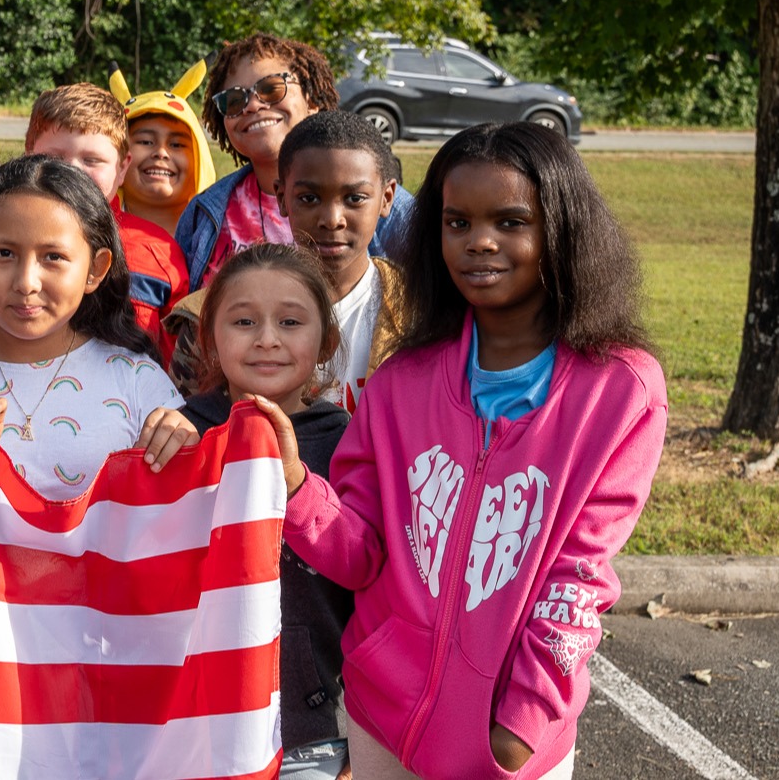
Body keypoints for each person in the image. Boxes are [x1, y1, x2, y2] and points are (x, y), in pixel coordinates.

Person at [282, 122, 665, 779]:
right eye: (457, 222)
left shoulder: (619, 388)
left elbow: (580, 570)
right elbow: (361, 552)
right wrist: (295, 484)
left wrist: (521, 722)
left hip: (512, 741)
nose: (479, 241)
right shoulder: (403, 382)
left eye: (511, 221)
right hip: (384, 722)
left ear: (560, 228)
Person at [153, 243, 357, 780]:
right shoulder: (178, 434)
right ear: (211, 340)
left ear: (326, 341)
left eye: (290, 321)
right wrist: (160, 460)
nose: (267, 339)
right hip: (191, 727)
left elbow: (368, 571)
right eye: (243, 321)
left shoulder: (353, 443)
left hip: (310, 733)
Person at [0, 155, 188, 500]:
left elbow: (178, 512)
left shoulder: (141, 384)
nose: (26, 282)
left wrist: (183, 447)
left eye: (53, 257)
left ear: (95, 269)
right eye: (4, 253)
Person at [166, 109, 408, 402]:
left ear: (387, 198)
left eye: (354, 199)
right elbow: (184, 423)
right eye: (309, 198)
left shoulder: (418, 314)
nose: (332, 219)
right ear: (282, 197)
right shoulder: (212, 316)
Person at [175, 33, 415, 290]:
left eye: (271, 88)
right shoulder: (203, 214)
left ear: (311, 99)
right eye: (233, 100)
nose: (253, 105)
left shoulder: (385, 207)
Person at [25, 82, 189, 361]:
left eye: (92, 160)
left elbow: (176, 361)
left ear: (122, 167)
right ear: (29, 153)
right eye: (55, 157)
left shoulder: (158, 252)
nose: (73, 172)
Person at [109, 61, 217, 234]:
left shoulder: (224, 239)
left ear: (199, 157)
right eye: (145, 141)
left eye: (176, 144)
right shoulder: (89, 234)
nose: (161, 152)